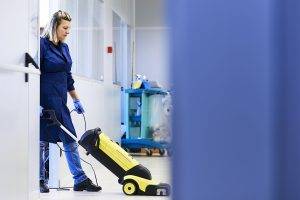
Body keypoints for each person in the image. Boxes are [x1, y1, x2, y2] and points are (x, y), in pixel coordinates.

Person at [39, 10, 101, 193]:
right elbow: (35, 74)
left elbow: (68, 77)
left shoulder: (64, 48)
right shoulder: (42, 45)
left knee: (70, 139)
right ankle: (39, 179)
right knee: (41, 141)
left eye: (69, 28)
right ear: (54, 26)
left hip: (60, 101)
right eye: (65, 28)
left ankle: (79, 179)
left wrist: (76, 100)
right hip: (44, 100)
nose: (68, 31)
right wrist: (35, 103)